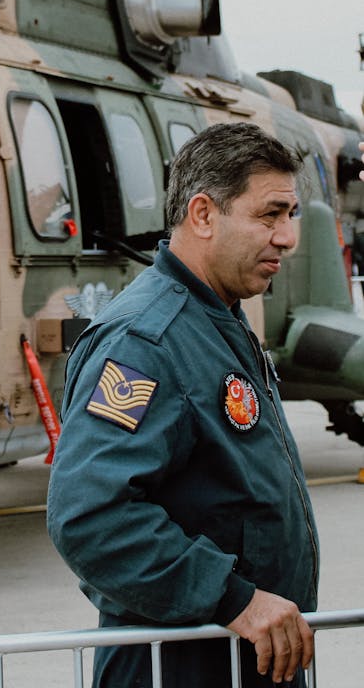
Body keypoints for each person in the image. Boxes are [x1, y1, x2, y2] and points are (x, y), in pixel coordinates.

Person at [47, 122, 319, 688]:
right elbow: (92, 517)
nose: (288, 237)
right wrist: (234, 599)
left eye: (290, 216)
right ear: (202, 215)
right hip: (182, 664)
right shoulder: (146, 341)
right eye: (270, 215)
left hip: (242, 660)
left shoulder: (215, 318)